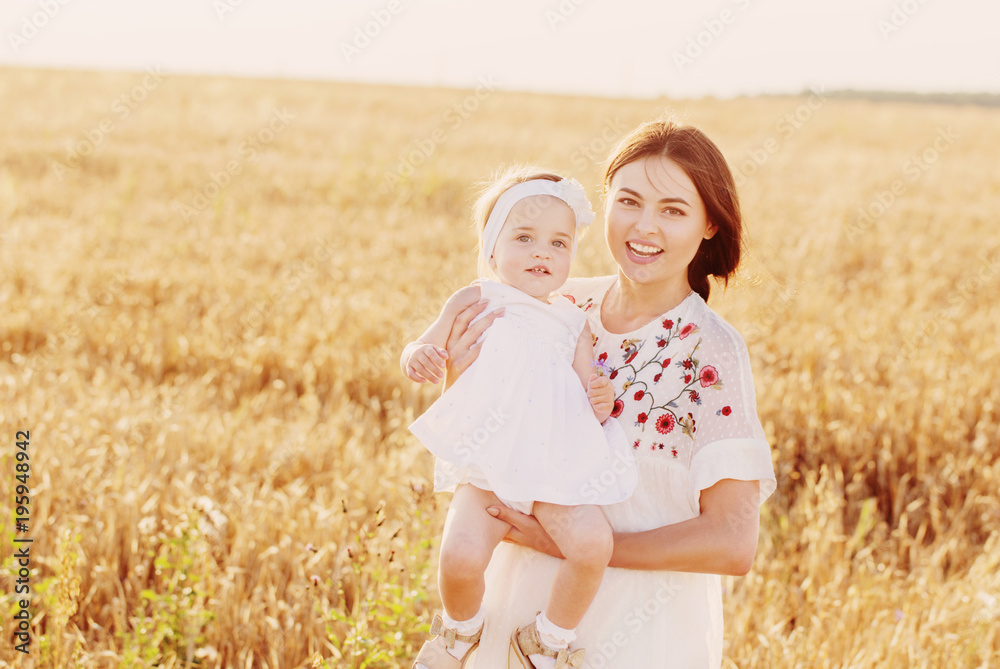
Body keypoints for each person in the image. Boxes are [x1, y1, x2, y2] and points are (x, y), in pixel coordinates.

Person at [443, 118, 778, 668]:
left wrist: (579, 549)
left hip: (639, 631)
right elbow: (482, 441)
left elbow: (733, 542)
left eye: (673, 210)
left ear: (711, 225)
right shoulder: (554, 307)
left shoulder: (710, 351)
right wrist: (458, 376)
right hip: (518, 609)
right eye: (629, 201)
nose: (644, 227)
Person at [401, 167, 638, 669]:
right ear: (492, 248)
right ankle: (461, 629)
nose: (542, 253)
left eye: (558, 243)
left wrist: (599, 399)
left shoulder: (574, 321)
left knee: (594, 545)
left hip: (553, 467)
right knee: (460, 556)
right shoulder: (475, 298)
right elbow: (427, 341)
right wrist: (418, 355)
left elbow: (586, 391)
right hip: (491, 462)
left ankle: (547, 639)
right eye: (525, 238)